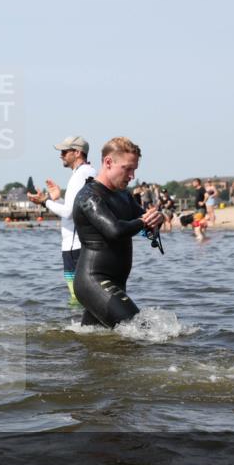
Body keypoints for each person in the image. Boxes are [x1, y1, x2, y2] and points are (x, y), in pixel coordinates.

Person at [72, 136, 164, 328]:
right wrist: (143, 221)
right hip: (93, 280)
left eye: (134, 170)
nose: (132, 176)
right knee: (141, 331)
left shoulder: (123, 195)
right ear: (108, 162)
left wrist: (157, 220)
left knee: (96, 343)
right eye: (127, 169)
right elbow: (114, 230)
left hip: (116, 282)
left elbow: (144, 221)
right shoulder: (89, 196)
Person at [27, 136, 95, 304]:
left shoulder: (78, 176)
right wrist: (56, 199)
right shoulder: (91, 172)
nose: (61, 155)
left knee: (76, 297)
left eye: (64, 152)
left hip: (74, 246)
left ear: (77, 153)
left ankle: (75, 328)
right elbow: (77, 210)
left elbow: (68, 212)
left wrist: (45, 201)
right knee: (87, 296)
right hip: (85, 243)